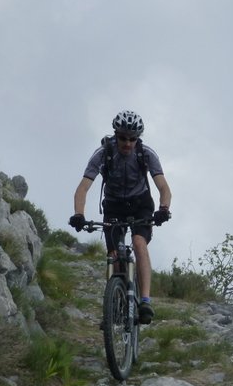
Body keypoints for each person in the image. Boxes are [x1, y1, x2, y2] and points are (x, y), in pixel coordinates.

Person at [69, 110, 172, 323]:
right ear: (116, 134)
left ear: (138, 139)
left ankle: (144, 301)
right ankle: (116, 299)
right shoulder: (103, 153)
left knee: (139, 243)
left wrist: (163, 208)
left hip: (140, 204)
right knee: (114, 253)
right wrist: (79, 214)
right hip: (114, 206)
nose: (127, 143)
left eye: (132, 139)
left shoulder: (146, 154)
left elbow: (163, 187)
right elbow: (82, 188)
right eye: (123, 138)